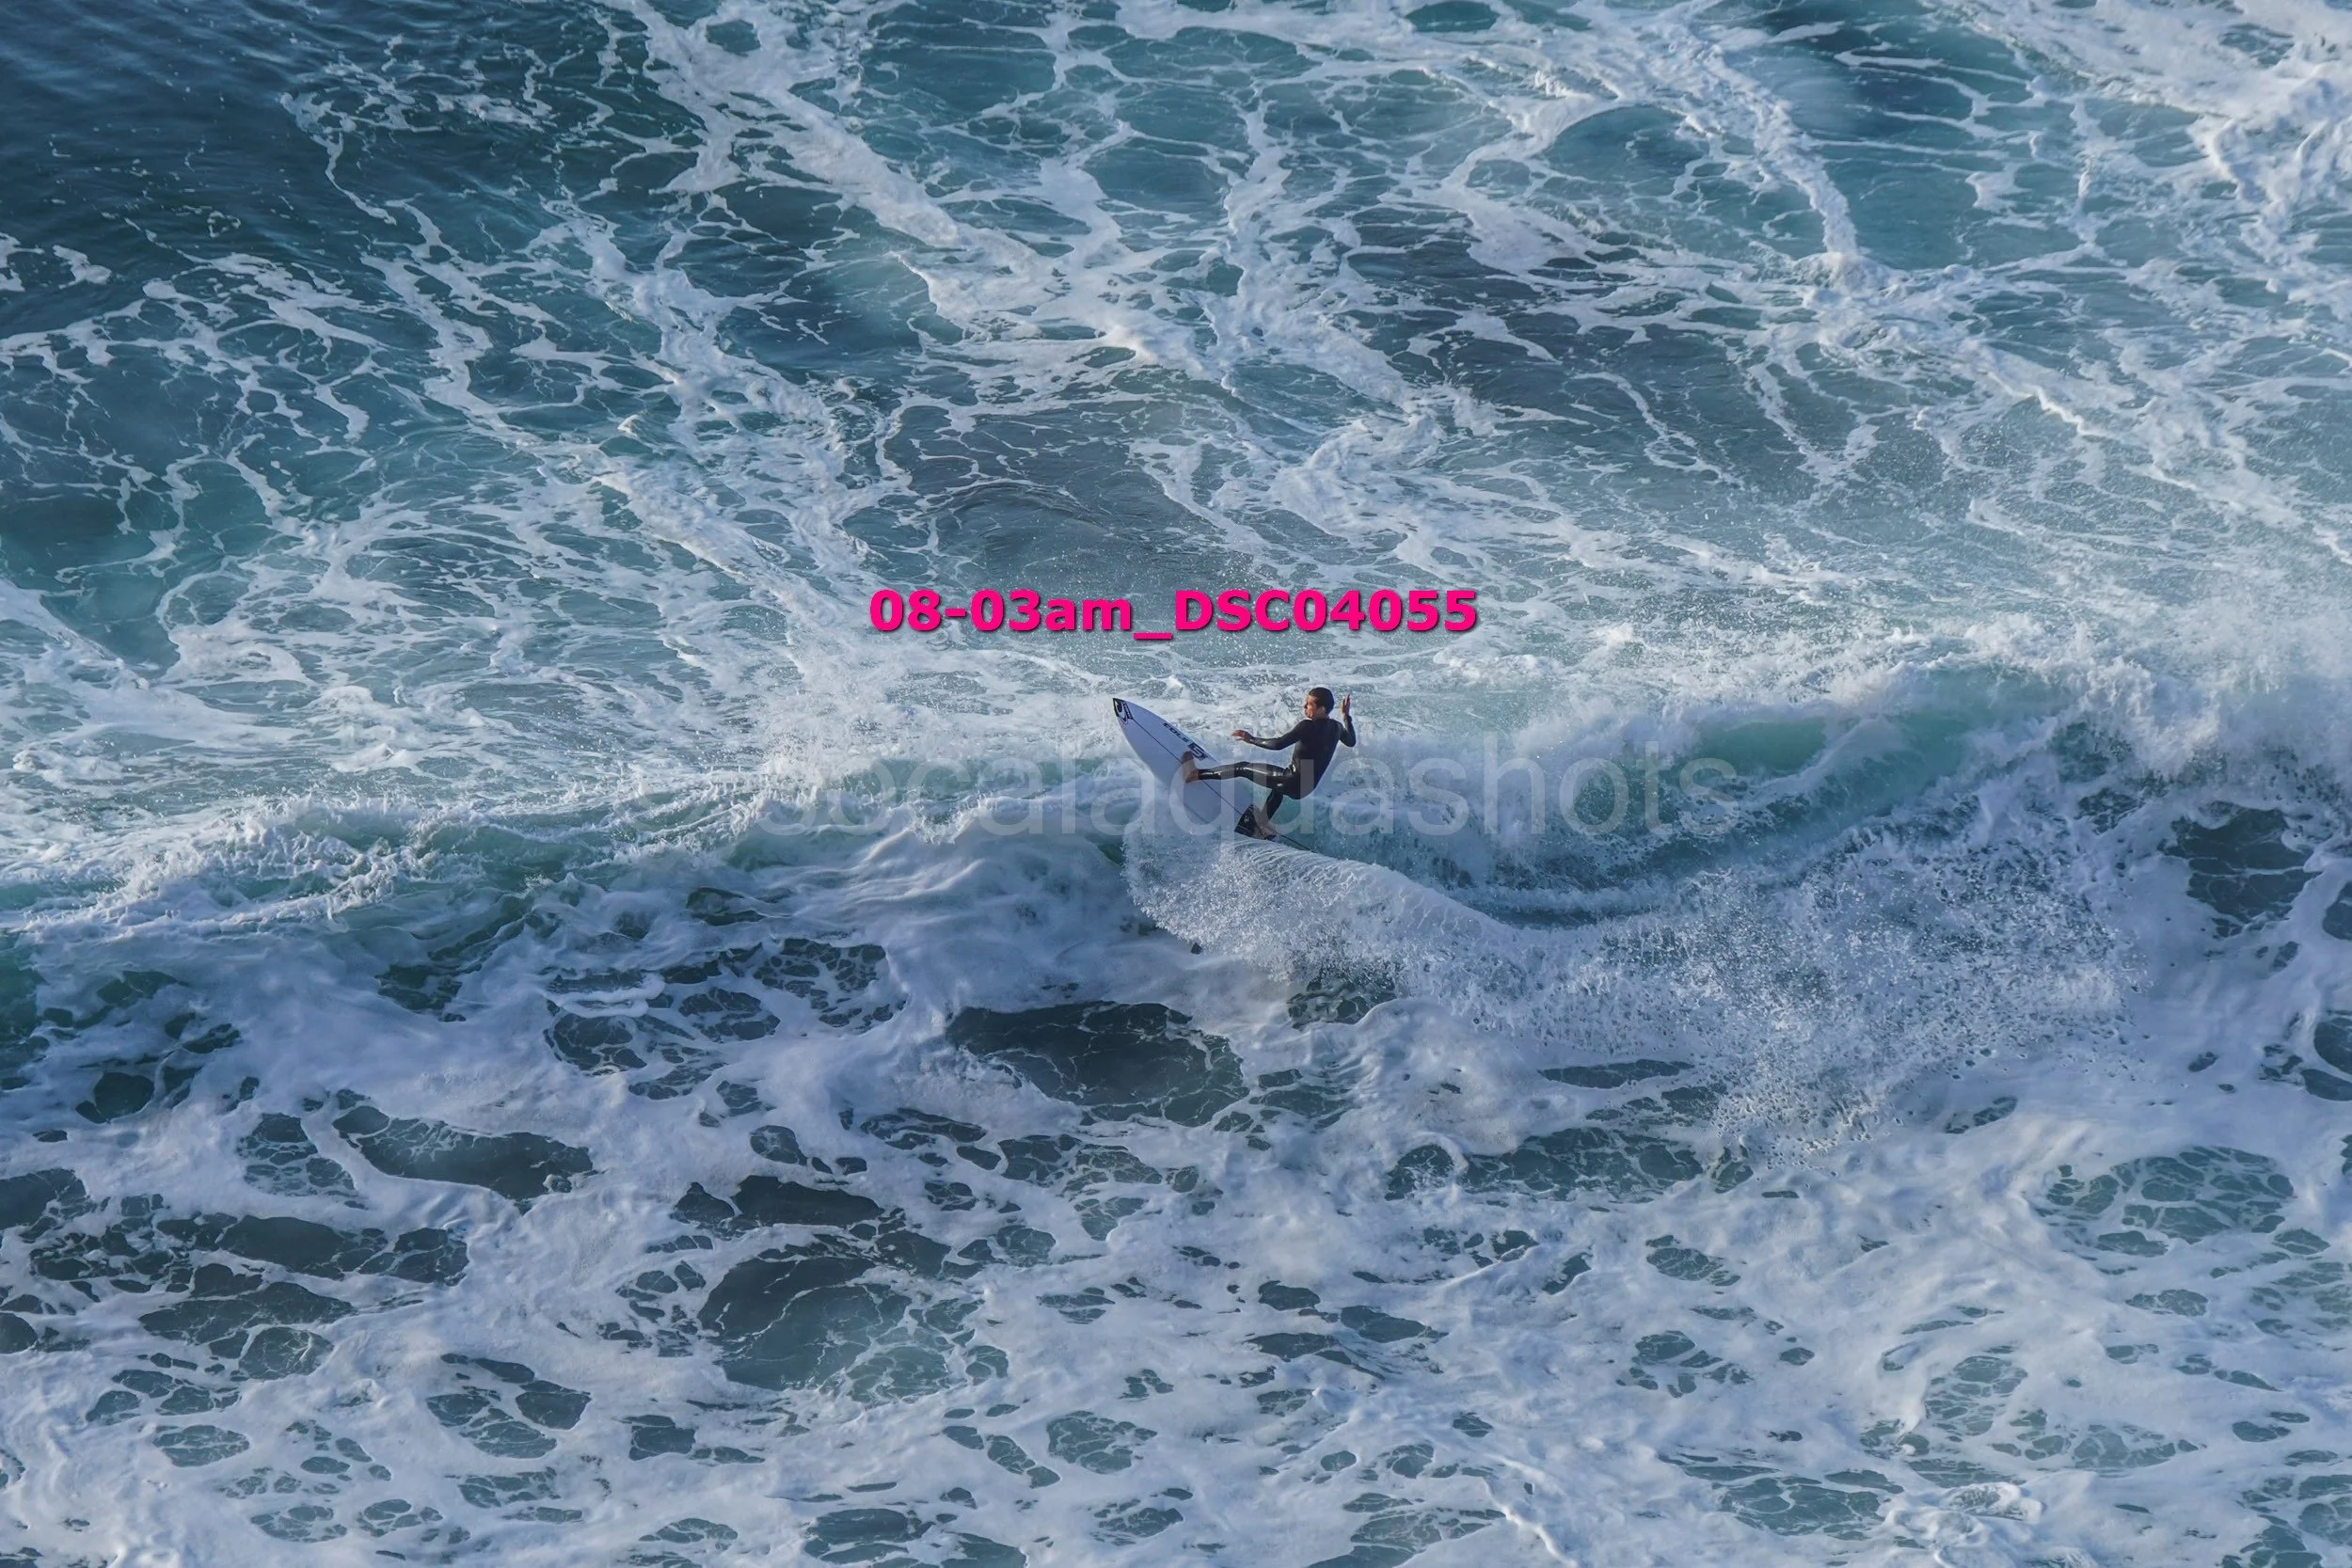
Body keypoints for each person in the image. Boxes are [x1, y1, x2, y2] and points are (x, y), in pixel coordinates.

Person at [1181, 687, 1356, 838]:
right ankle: (1261, 824)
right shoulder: (1337, 727)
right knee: (1277, 787)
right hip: (1306, 788)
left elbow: (1278, 744)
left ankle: (1195, 774)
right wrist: (1346, 716)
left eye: (1309, 704)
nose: (1304, 706)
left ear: (1322, 709)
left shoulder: (1307, 726)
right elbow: (1351, 741)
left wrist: (1252, 739)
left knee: (1243, 767)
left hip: (1292, 781)